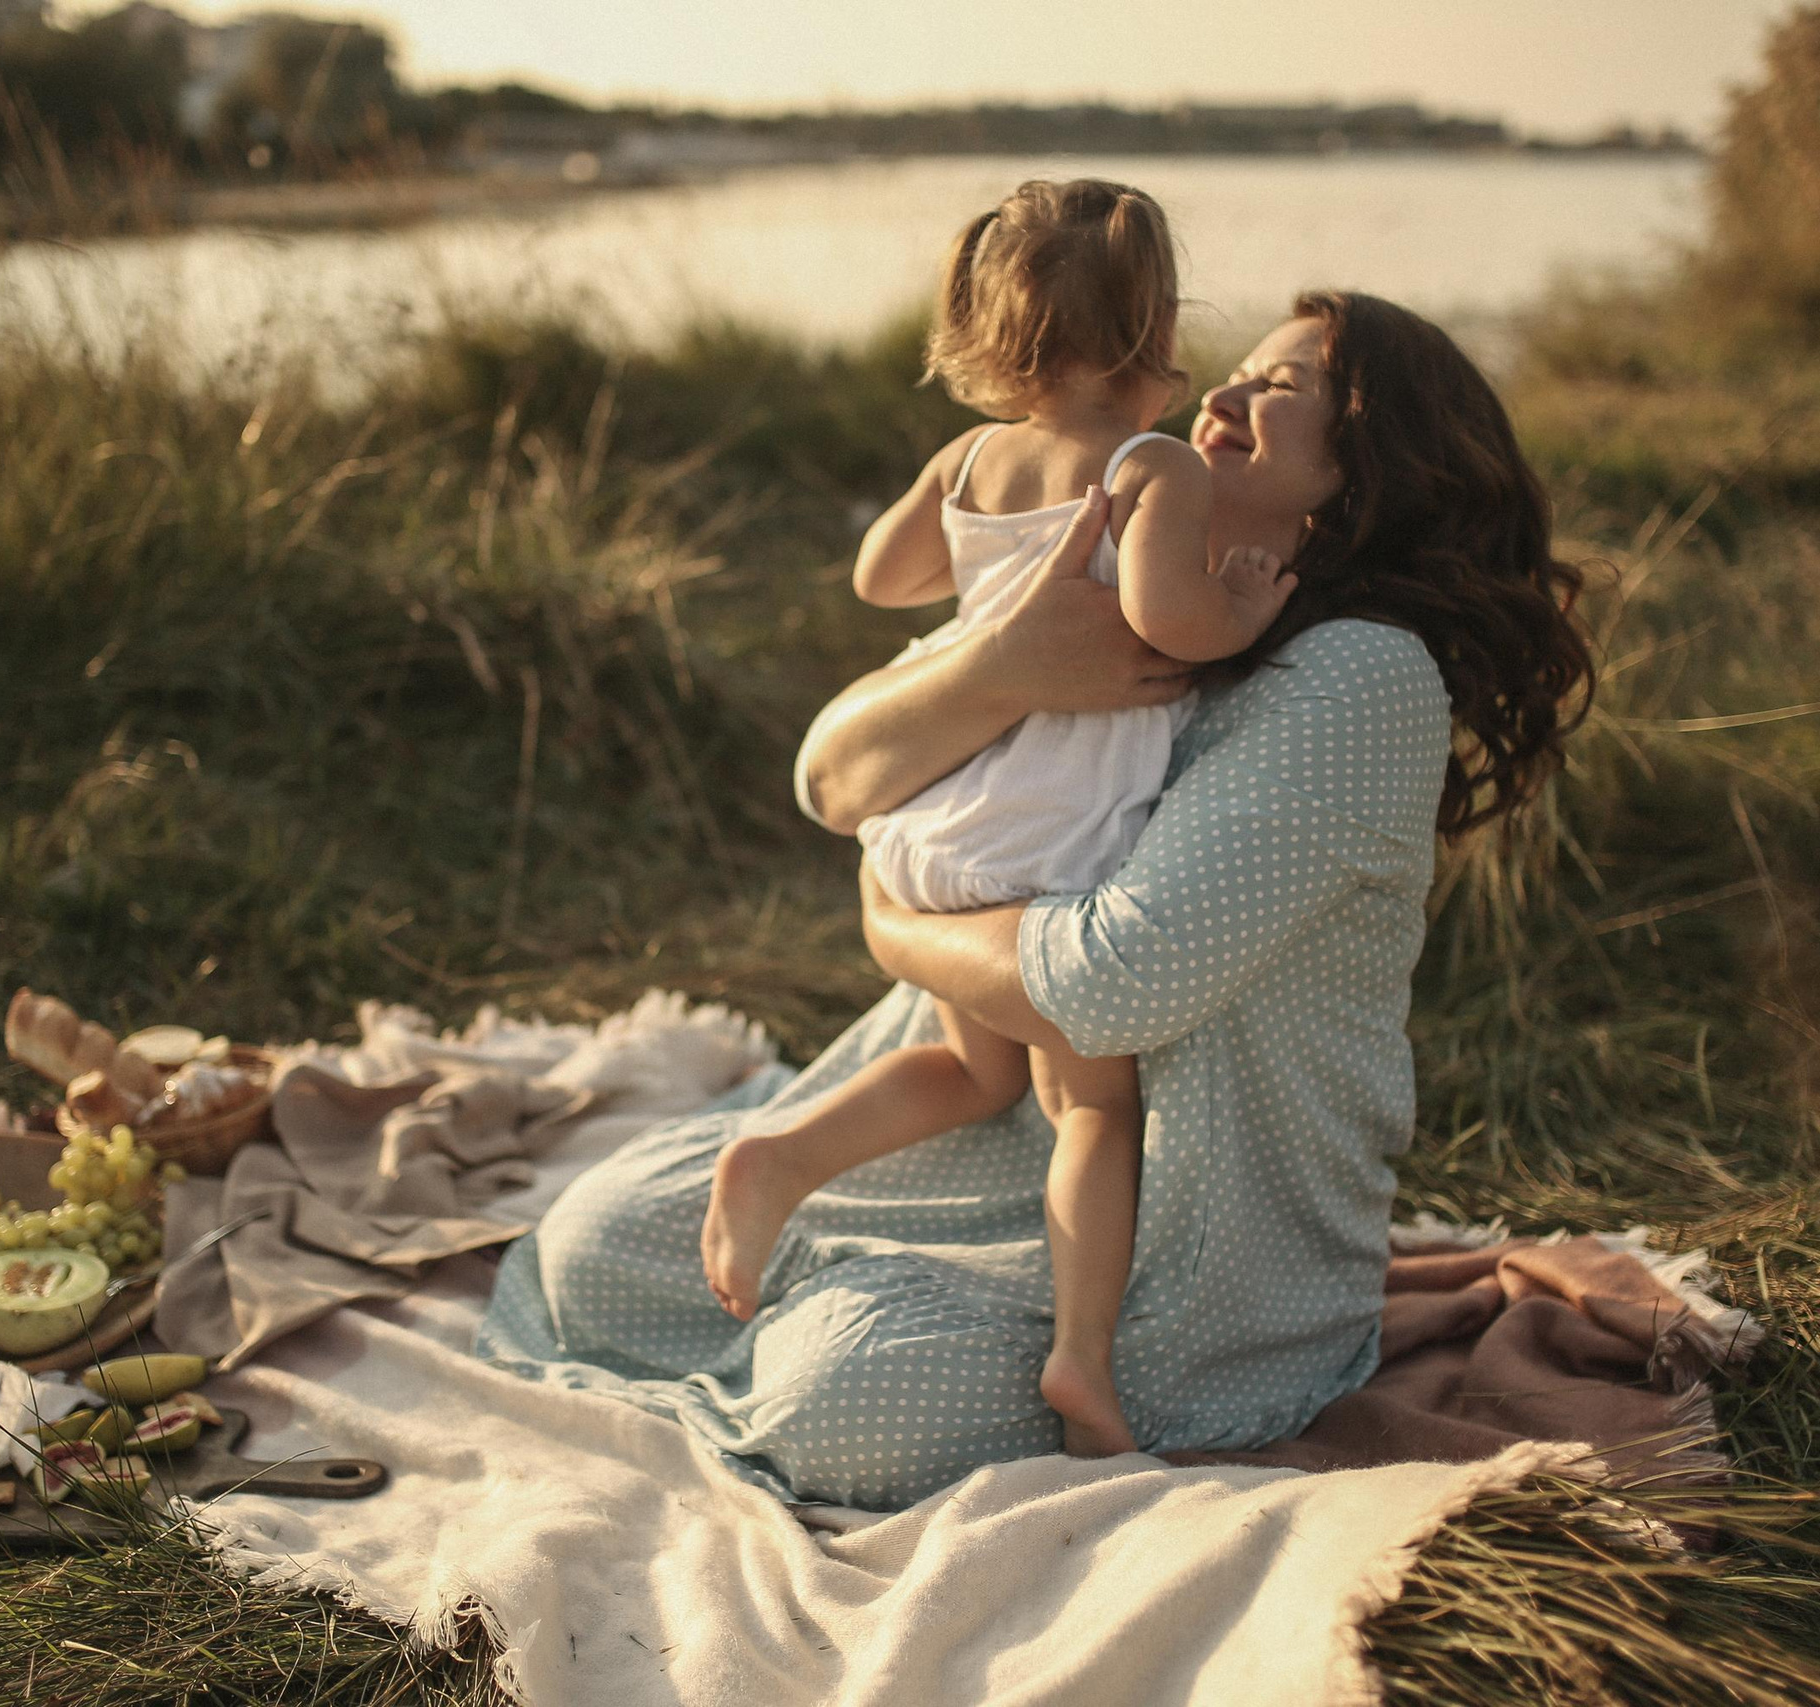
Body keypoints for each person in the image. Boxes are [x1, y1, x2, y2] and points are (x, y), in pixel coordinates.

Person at [477, 290, 1595, 1514]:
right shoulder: (1107, 583)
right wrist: (998, 663)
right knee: (593, 1248)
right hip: (968, 1109)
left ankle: (987, 1338)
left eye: (1284, 390)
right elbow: (831, 778)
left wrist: (892, 928)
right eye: (1233, 373)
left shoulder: (1359, 676)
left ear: (1373, 470)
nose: (1224, 395)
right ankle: (819, 1229)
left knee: (845, 1403)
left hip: (1185, 1224)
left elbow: (1122, 982)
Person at [696, 178, 1294, 1459]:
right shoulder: (1151, 465)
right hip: (1057, 829)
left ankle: (782, 1157)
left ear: (995, 331)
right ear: (1157, 323)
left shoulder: (969, 458)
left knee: (975, 1074)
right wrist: (1242, 608)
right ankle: (1082, 1360)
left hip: (955, 810)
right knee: (1090, 1108)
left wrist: (981, 539)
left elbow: (882, 576)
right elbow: (1164, 623)